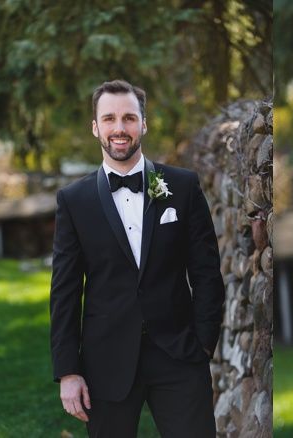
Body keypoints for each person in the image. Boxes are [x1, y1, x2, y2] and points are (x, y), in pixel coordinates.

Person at [50, 79, 224, 437]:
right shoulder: (73, 200)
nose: (119, 128)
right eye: (109, 118)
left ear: (144, 124)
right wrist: (68, 371)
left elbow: (206, 272)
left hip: (179, 355)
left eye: (129, 118)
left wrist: (203, 343)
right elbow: (65, 291)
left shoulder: (184, 186)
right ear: (95, 127)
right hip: (104, 362)